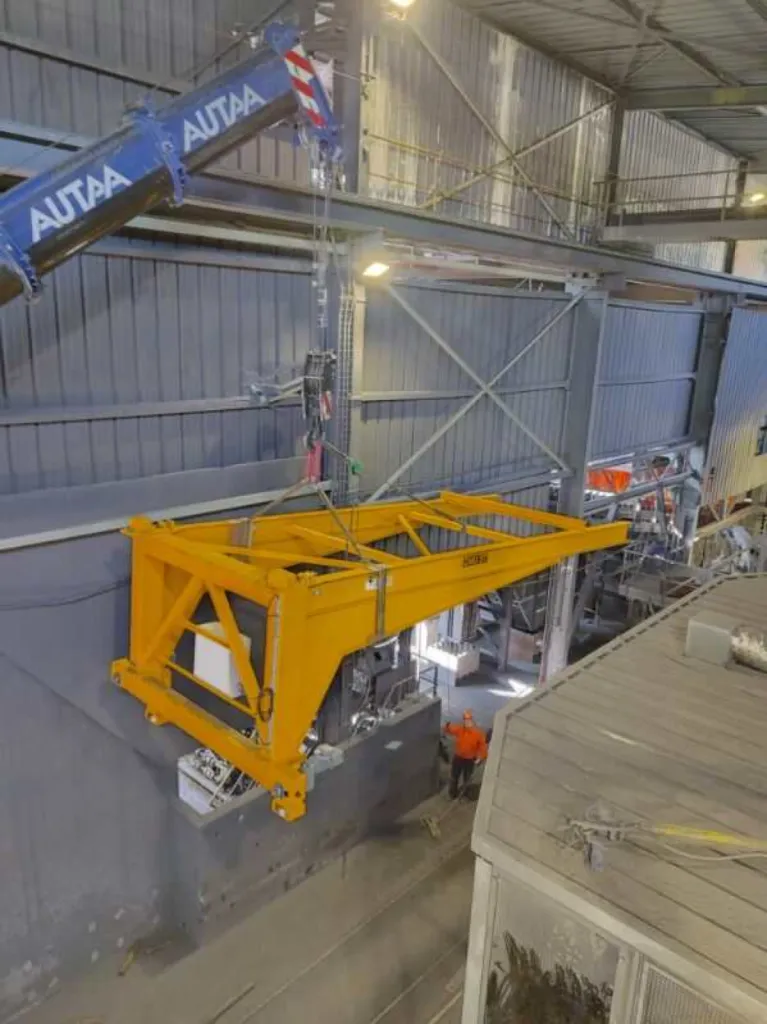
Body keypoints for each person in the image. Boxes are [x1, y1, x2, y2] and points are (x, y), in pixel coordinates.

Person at [443, 709, 488, 799]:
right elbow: (450, 729)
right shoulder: (460, 728)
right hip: (458, 758)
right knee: (454, 777)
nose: (466, 722)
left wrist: (479, 758)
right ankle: (453, 794)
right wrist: (447, 726)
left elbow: (483, 747)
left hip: (469, 760)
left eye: (468, 720)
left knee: (467, 778)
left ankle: (465, 794)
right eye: (465, 719)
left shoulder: (478, 733)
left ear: (472, 720)